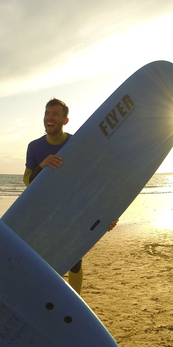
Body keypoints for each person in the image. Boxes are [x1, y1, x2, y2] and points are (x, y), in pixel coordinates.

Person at [23, 98, 116, 295]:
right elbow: (27, 181)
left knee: (74, 261)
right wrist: (42, 165)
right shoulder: (35, 147)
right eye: (47, 113)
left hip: (74, 211)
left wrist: (109, 212)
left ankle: (75, 299)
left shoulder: (76, 143)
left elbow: (93, 179)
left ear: (65, 120)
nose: (49, 118)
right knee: (45, 260)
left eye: (55, 114)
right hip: (46, 213)